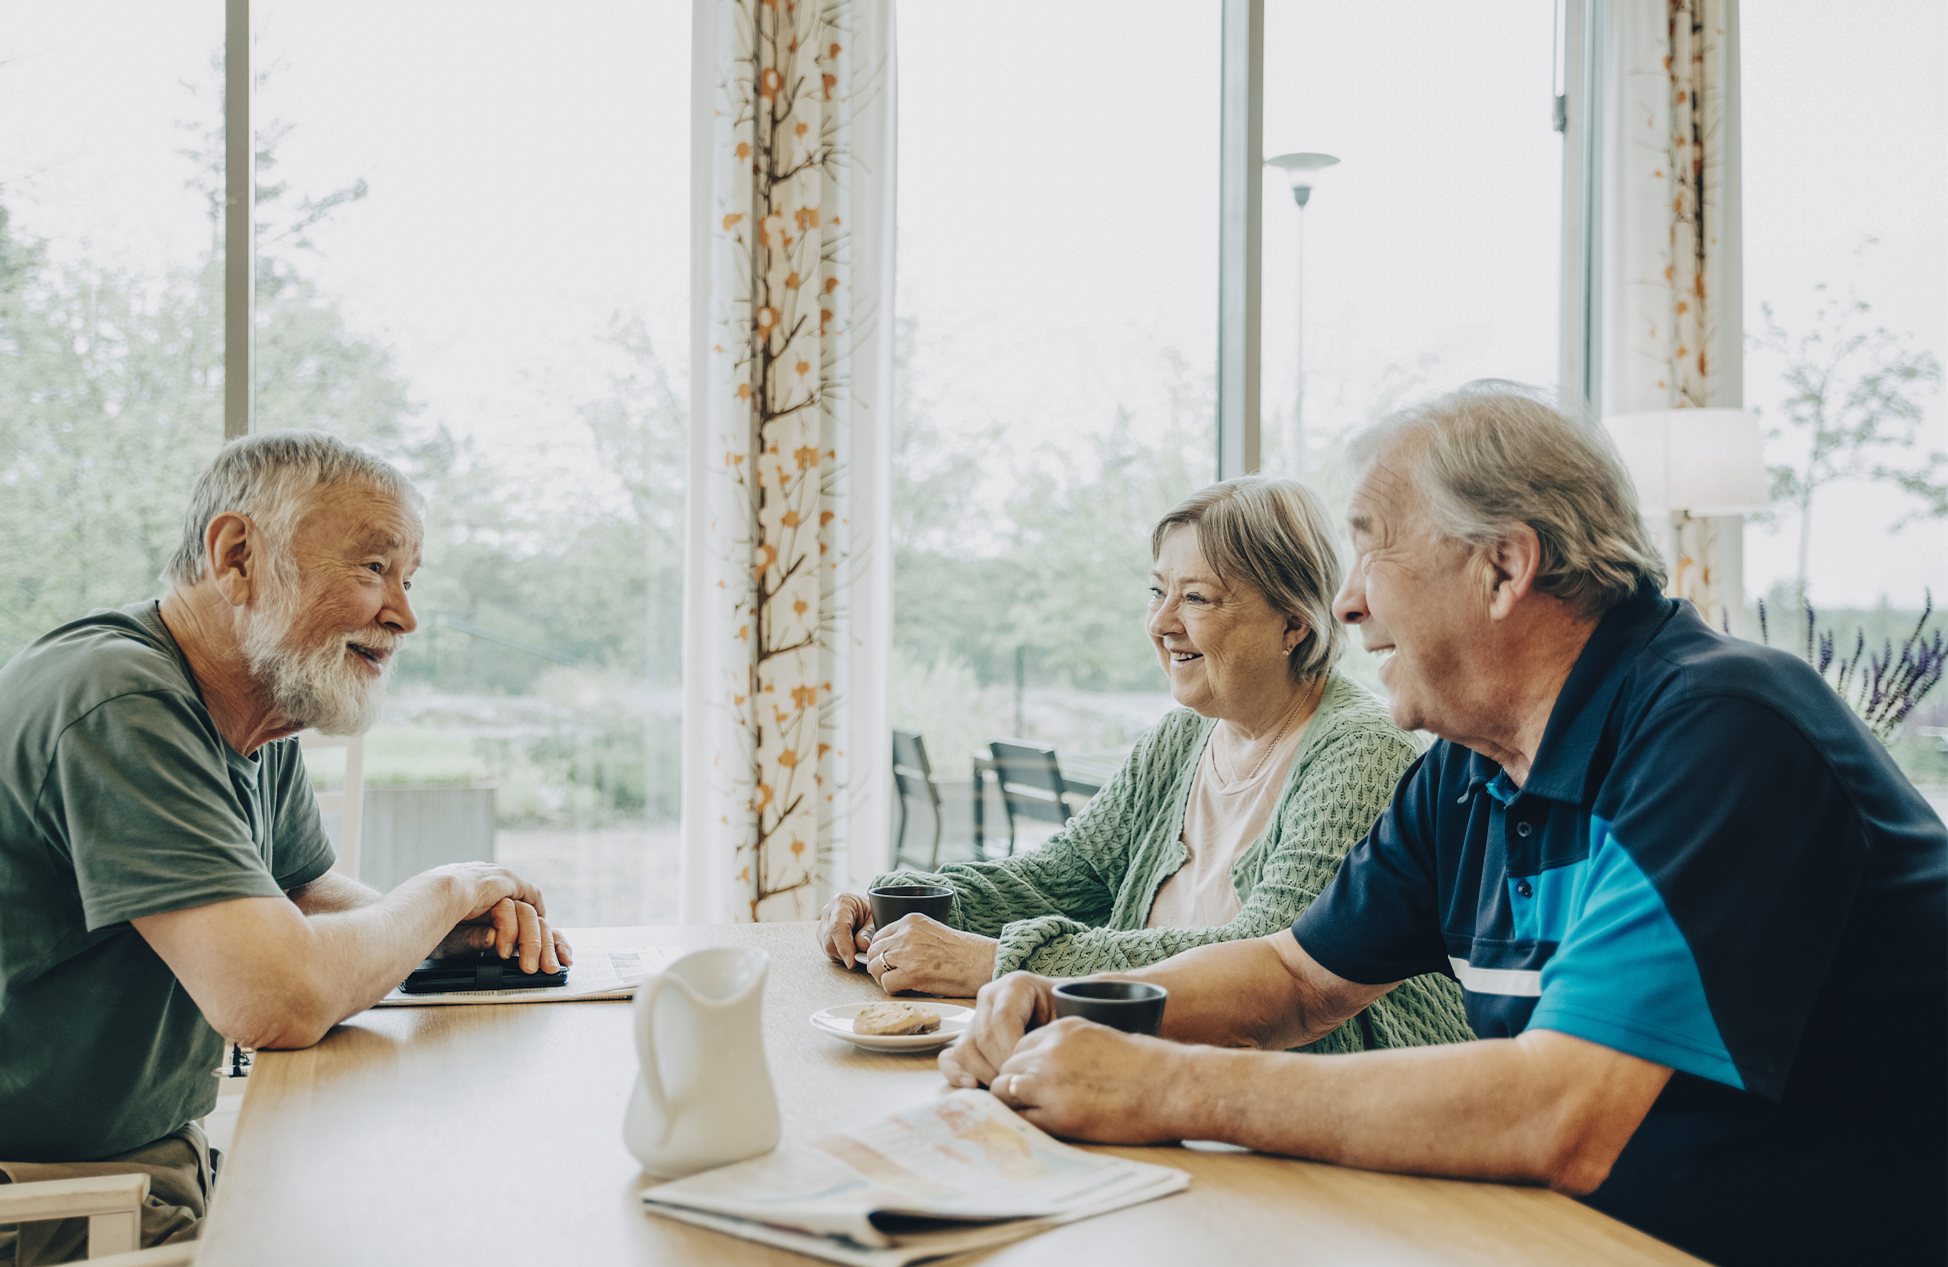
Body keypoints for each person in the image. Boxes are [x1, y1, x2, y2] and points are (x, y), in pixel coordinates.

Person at [938, 382, 1948, 1266]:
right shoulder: (1468, 767)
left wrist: (1167, 1086)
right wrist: (1071, 1007)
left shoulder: (1720, 730)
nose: (1342, 604)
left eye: (1370, 546)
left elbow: (1561, 1109)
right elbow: (1292, 980)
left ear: (1503, 569)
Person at [0, 431, 573, 1266]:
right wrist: (444, 889)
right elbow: (275, 996)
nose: (405, 613)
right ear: (238, 554)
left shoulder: (255, 706)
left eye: (409, 577)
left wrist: (447, 934)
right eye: (373, 568)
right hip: (6, 1201)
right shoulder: (123, 701)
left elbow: (298, 892)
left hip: (144, 1169)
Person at [816, 478, 1472, 1053]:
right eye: (1156, 591)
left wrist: (998, 962)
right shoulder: (1182, 737)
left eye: (1196, 598)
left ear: (1293, 622)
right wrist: (894, 906)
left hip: (1323, 1101)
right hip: (1159, 1069)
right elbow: (1056, 878)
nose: (1160, 622)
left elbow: (1260, 965)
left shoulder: (1360, 748)